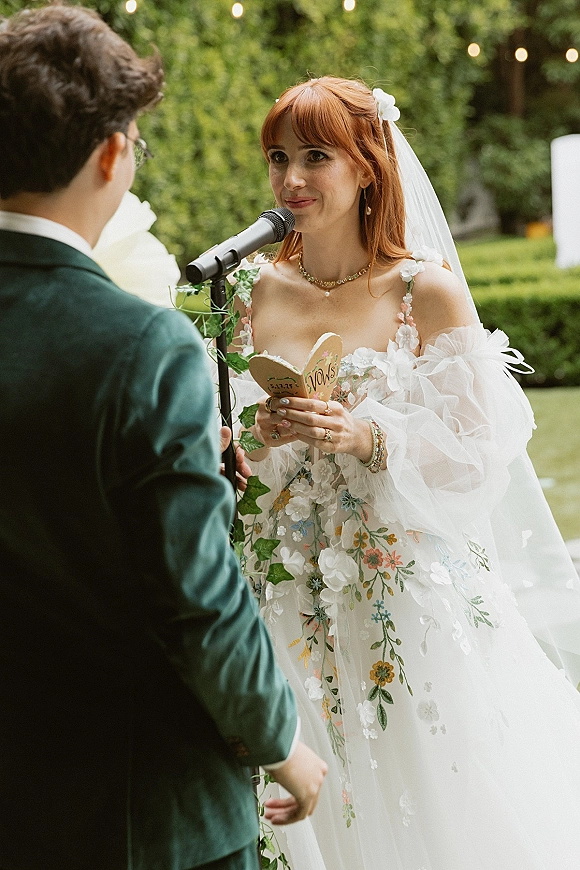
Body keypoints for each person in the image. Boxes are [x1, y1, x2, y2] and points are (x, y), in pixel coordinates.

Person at [0, 7, 327, 870]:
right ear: (110, 154)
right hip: (142, 812)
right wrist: (281, 744)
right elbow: (194, 600)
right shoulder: (141, 344)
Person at [228, 76, 580, 869]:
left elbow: (478, 457)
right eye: (278, 157)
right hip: (278, 593)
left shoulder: (425, 292)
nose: (291, 180)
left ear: (367, 166)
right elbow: (226, 454)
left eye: (316, 156)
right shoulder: (248, 295)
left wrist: (367, 435)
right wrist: (252, 434)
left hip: (400, 593)